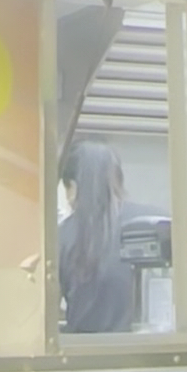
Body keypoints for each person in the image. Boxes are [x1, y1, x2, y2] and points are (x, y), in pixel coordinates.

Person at [59, 139, 154, 334]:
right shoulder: (156, 223)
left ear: (73, 188)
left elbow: (43, 314)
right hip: (150, 346)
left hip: (84, 350)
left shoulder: (62, 236)